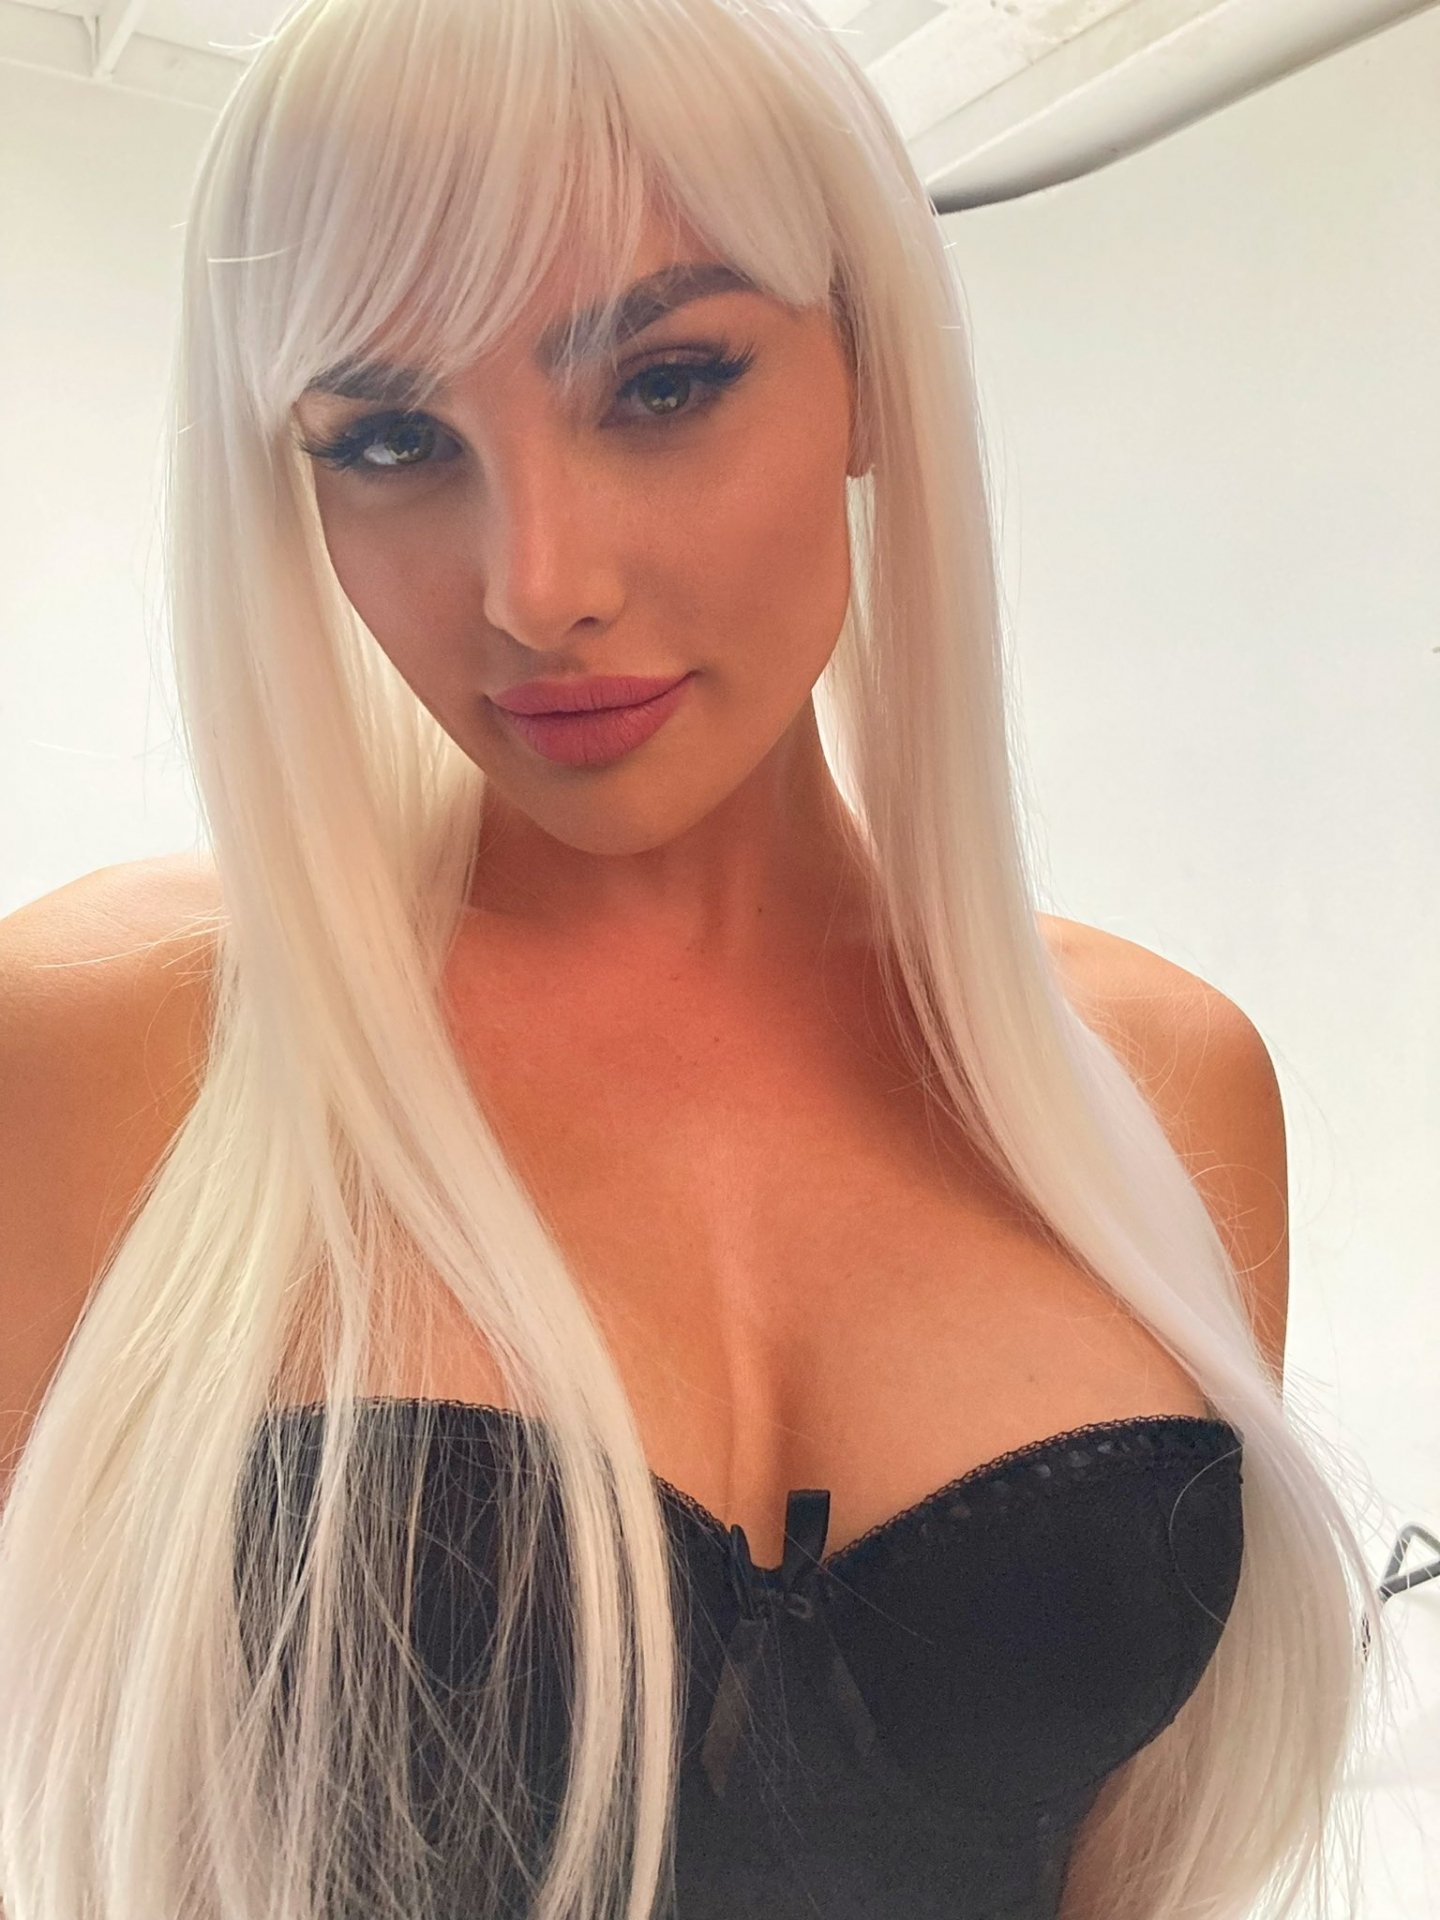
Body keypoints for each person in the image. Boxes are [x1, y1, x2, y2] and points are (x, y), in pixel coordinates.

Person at [0, 0, 1393, 1915]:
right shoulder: (108, 1053)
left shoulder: (1160, 1084)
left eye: (664, 383)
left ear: (870, 367)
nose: (536, 585)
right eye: (392, 440)